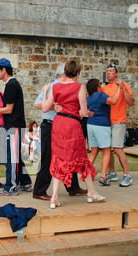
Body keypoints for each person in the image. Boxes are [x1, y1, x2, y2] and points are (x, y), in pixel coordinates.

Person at [42, 60, 104, 208]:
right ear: (77, 73)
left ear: (65, 72)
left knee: (59, 160)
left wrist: (45, 93)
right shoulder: (80, 87)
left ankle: (54, 197)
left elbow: (45, 108)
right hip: (72, 125)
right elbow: (82, 112)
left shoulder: (55, 87)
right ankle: (92, 191)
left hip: (58, 125)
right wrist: (88, 113)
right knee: (81, 158)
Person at [32, 63, 88, 201]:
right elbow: (37, 103)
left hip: (64, 126)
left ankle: (72, 186)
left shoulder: (71, 86)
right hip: (50, 125)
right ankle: (39, 190)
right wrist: (52, 106)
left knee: (70, 155)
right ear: (64, 73)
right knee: (48, 158)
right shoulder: (52, 86)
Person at [0, 58, 32, 196]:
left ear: (4, 70)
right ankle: (26, 182)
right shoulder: (12, 84)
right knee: (15, 157)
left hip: (14, 127)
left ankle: (11, 187)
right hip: (14, 126)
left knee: (12, 159)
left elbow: (8, 109)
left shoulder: (11, 85)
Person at [102, 63, 135, 187]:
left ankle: (126, 175)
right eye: (107, 71)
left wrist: (123, 88)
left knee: (117, 148)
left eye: (111, 71)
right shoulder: (104, 88)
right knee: (107, 148)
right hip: (106, 122)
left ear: (116, 74)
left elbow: (131, 102)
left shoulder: (123, 85)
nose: (108, 72)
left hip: (118, 121)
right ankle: (112, 172)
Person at [86, 78, 121, 186]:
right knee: (106, 151)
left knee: (94, 151)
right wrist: (119, 88)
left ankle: (86, 174)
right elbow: (113, 101)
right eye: (100, 84)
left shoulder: (89, 98)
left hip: (90, 124)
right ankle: (103, 176)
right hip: (101, 125)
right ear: (98, 87)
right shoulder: (101, 95)